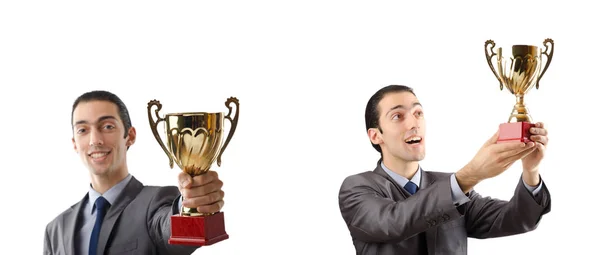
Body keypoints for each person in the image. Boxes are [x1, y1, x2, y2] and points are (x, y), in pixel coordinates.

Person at [338, 85, 551, 255]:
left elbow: (518, 218)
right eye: (398, 116)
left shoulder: (451, 185)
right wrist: (470, 175)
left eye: (418, 113)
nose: (414, 123)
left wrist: (530, 171)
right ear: (376, 135)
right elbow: (392, 223)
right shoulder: (356, 188)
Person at [44, 90, 226, 255]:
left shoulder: (156, 203)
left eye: (107, 127)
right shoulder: (56, 230)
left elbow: (172, 230)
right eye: (83, 130)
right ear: (75, 143)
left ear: (130, 136)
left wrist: (191, 203)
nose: (95, 140)